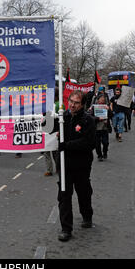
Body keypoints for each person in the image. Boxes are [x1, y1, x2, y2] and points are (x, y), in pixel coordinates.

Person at [57, 90, 96, 242]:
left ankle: (87, 216)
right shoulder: (63, 117)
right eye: (70, 101)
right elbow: (49, 130)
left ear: (82, 104)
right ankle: (66, 228)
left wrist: (66, 145)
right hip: (65, 163)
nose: (72, 105)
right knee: (64, 196)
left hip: (82, 164)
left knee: (83, 192)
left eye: (76, 102)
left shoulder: (88, 120)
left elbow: (89, 143)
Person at [89, 95, 112, 161]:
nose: (103, 100)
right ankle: (99, 155)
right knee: (97, 143)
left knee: (105, 142)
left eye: (103, 99)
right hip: (96, 128)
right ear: (98, 100)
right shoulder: (93, 107)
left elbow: (111, 115)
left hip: (104, 128)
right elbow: (90, 117)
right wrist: (98, 118)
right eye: (101, 99)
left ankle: (105, 152)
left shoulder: (106, 106)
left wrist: (109, 110)